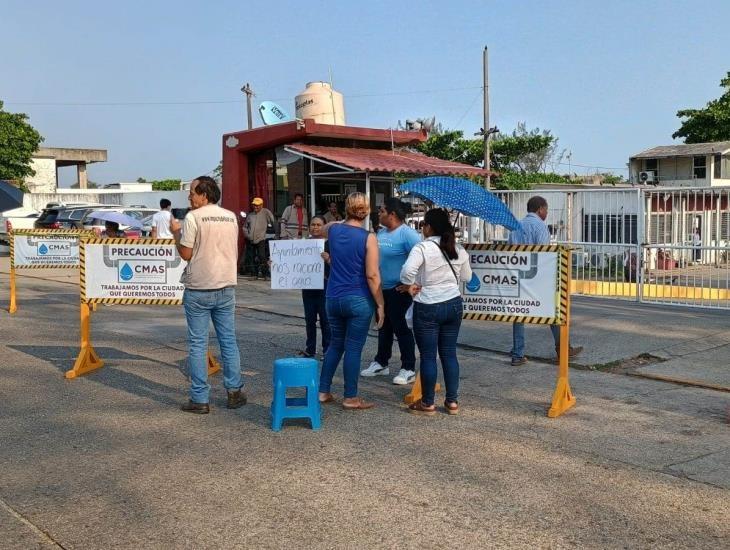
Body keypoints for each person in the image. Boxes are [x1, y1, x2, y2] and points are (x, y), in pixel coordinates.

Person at [171, 176, 246, 414]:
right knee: (228, 341)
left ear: (204, 194)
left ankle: (200, 399)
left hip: (199, 287)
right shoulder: (230, 216)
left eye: (192, 192)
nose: (189, 196)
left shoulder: (193, 218)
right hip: (225, 285)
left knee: (197, 344)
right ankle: (234, 392)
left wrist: (175, 233)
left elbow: (185, 253)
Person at [399, 208, 471, 415]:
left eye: (423, 225)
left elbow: (406, 273)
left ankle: (428, 403)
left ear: (428, 227)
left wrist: (410, 285)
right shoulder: (458, 249)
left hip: (428, 305)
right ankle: (452, 402)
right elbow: (466, 277)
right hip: (454, 304)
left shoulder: (422, 248)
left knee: (428, 356)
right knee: (449, 353)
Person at [318, 192, 385, 410]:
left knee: (335, 344)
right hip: (358, 298)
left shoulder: (334, 230)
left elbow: (323, 228)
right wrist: (380, 304)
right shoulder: (369, 237)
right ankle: (350, 396)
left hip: (333, 296)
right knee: (354, 348)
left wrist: (343, 217)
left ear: (346, 208)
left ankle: (323, 391)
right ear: (366, 211)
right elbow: (372, 275)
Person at [508, 196, 582, 366]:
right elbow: (544, 255)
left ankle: (517, 354)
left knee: (518, 313)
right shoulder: (540, 227)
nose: (547, 213)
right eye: (546, 210)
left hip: (518, 276)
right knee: (553, 311)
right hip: (536, 276)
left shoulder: (515, 226)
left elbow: (509, 251)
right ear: (540, 209)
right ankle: (563, 349)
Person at [361, 198, 421, 385]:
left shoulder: (408, 235)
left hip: (399, 290)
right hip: (381, 288)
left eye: (382, 211)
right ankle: (381, 362)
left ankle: (408, 368)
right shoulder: (381, 233)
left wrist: (412, 284)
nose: (379, 213)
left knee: (400, 328)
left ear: (392, 215)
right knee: (383, 326)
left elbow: (422, 259)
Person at [299, 216, 331, 358]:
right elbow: (294, 265)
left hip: (325, 288)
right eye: (313, 224)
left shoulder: (331, 244)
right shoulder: (303, 245)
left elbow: (338, 266)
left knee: (326, 320)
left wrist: (328, 259)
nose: (315, 227)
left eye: (319, 225)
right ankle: (310, 348)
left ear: (324, 226)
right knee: (309, 319)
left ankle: (327, 350)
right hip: (308, 288)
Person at [243, 197, 275, 279]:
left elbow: (272, 221)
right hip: (251, 239)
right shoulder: (250, 215)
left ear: (261, 205)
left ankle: (266, 274)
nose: (255, 207)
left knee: (262, 256)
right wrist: (248, 235)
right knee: (252, 256)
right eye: (254, 205)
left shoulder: (265, 212)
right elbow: (245, 227)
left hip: (261, 238)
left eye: (257, 205)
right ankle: (254, 274)